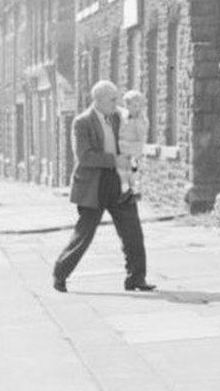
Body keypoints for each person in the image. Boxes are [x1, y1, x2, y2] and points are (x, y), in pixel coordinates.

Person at [52, 80, 156, 293]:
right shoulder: (82, 122)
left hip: (120, 181)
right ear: (98, 100)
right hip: (94, 185)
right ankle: (60, 273)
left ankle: (136, 278)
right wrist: (115, 160)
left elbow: (136, 134)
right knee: (84, 234)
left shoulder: (120, 117)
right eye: (112, 99)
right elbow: (85, 156)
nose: (117, 102)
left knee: (133, 231)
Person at [117, 90, 149, 198]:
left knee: (134, 170)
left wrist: (136, 120)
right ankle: (125, 191)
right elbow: (120, 131)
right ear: (127, 106)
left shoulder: (142, 119)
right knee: (122, 171)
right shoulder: (122, 117)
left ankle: (135, 191)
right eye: (133, 105)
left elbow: (141, 134)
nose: (137, 108)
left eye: (139, 106)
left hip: (135, 150)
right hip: (123, 148)